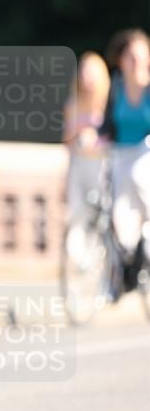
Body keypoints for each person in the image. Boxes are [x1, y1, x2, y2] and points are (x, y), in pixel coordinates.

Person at [101, 29, 150, 275]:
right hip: (121, 155)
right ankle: (127, 264)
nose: (136, 62)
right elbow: (107, 125)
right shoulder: (117, 87)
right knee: (120, 216)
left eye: (141, 56)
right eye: (131, 56)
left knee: (140, 177)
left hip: (146, 154)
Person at [62, 51, 109, 233]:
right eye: (84, 71)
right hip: (78, 164)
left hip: (100, 164)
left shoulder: (107, 103)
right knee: (77, 213)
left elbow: (112, 137)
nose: (86, 77)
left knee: (100, 213)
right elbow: (65, 138)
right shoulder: (72, 104)